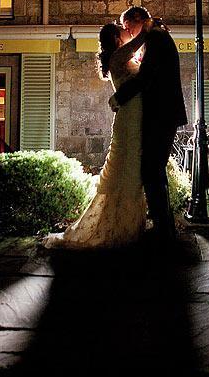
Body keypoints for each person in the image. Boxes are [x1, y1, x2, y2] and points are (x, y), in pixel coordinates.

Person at [43, 20, 151, 249]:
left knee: (130, 169)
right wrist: (150, 27)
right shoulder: (118, 57)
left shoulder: (121, 57)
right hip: (129, 119)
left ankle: (127, 224)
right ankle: (120, 227)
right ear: (115, 38)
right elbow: (142, 39)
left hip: (134, 115)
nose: (128, 31)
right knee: (126, 168)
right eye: (123, 30)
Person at [109, 6, 187, 247]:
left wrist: (119, 97)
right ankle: (163, 227)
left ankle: (164, 230)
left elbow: (146, 77)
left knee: (152, 170)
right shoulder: (156, 35)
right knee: (154, 169)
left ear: (138, 19)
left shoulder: (156, 37)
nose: (127, 31)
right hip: (163, 113)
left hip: (162, 114)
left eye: (128, 25)